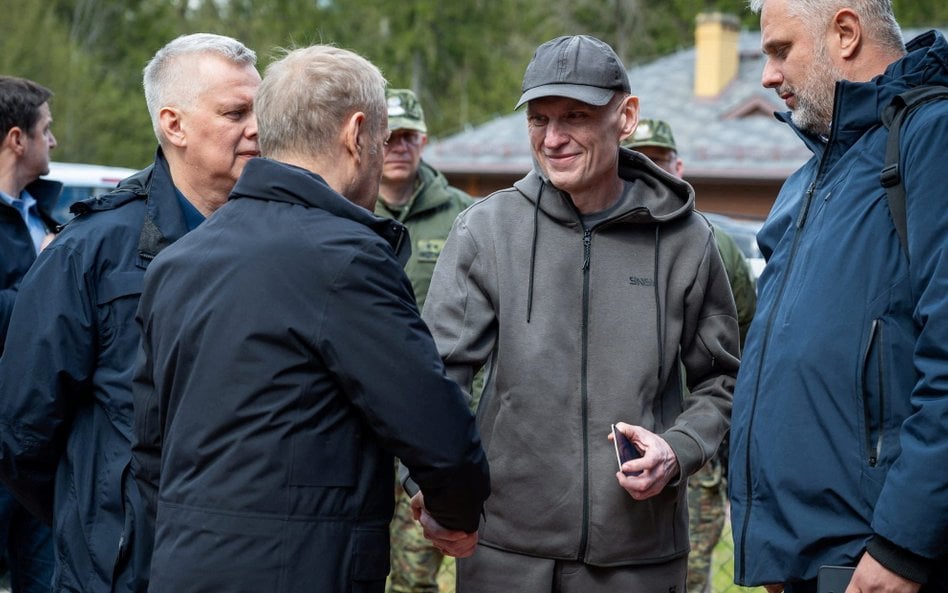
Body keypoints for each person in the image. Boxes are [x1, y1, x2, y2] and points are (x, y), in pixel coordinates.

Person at [131, 44, 491, 593]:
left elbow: (151, 447)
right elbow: (431, 422)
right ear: (356, 134)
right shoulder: (344, 258)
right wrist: (457, 511)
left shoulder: (178, 261)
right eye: (379, 141)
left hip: (185, 566)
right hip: (301, 569)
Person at [422, 34, 739, 593]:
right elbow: (434, 376)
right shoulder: (486, 231)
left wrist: (679, 449)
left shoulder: (688, 242)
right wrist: (426, 482)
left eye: (574, 116)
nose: (553, 138)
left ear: (627, 116)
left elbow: (724, 380)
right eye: (539, 119)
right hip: (503, 555)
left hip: (639, 557)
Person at [0, 33, 260, 593]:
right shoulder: (90, 250)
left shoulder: (282, 238)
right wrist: (99, 518)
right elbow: (24, 431)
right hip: (121, 570)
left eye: (260, 109)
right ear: (174, 125)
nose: (257, 128)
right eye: (236, 112)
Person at [729, 2, 948, 593]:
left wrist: (903, 548)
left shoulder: (933, 137)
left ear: (845, 33)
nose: (767, 76)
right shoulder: (808, 180)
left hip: (881, 566)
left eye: (779, 50)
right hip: (805, 567)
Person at [624, 117, 757, 593]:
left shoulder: (712, 243)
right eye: (638, 157)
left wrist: (716, 439)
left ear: (678, 165)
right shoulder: (607, 235)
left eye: (658, 159)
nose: (648, 168)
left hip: (692, 443)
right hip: (623, 442)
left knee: (687, 574)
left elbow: (743, 342)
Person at [375, 88, 475, 593]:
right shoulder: (347, 202)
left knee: (418, 567)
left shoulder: (460, 213)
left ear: (424, 141)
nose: (397, 147)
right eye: (388, 136)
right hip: (363, 411)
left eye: (408, 137)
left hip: (429, 408)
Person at [0, 76, 58, 593]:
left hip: (35, 444)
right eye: (46, 130)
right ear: (17, 139)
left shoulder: (43, 214)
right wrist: (42, 289)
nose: (53, 141)